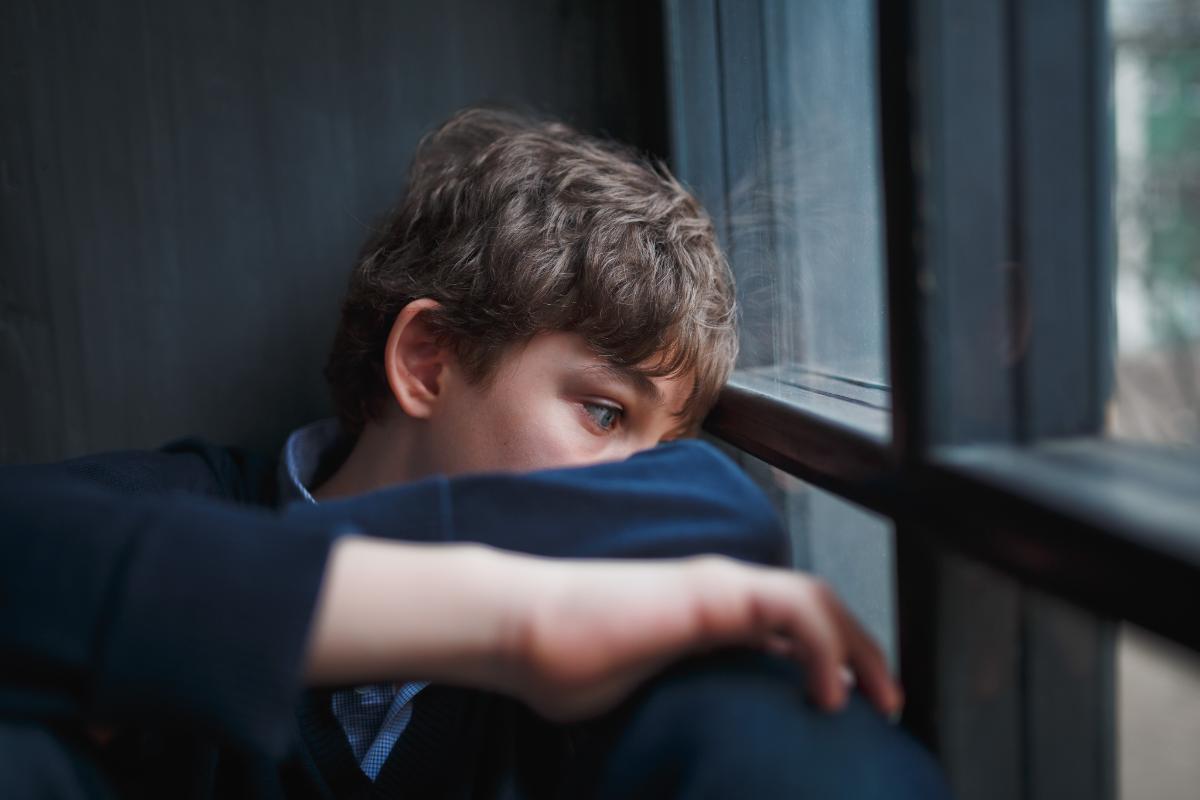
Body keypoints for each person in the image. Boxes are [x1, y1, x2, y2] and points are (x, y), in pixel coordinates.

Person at [0, 108, 949, 798]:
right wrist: (510, 616)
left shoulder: (640, 591)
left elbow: (710, 506)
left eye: (669, 442)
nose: (637, 485)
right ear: (427, 360)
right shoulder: (170, 511)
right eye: (606, 414)